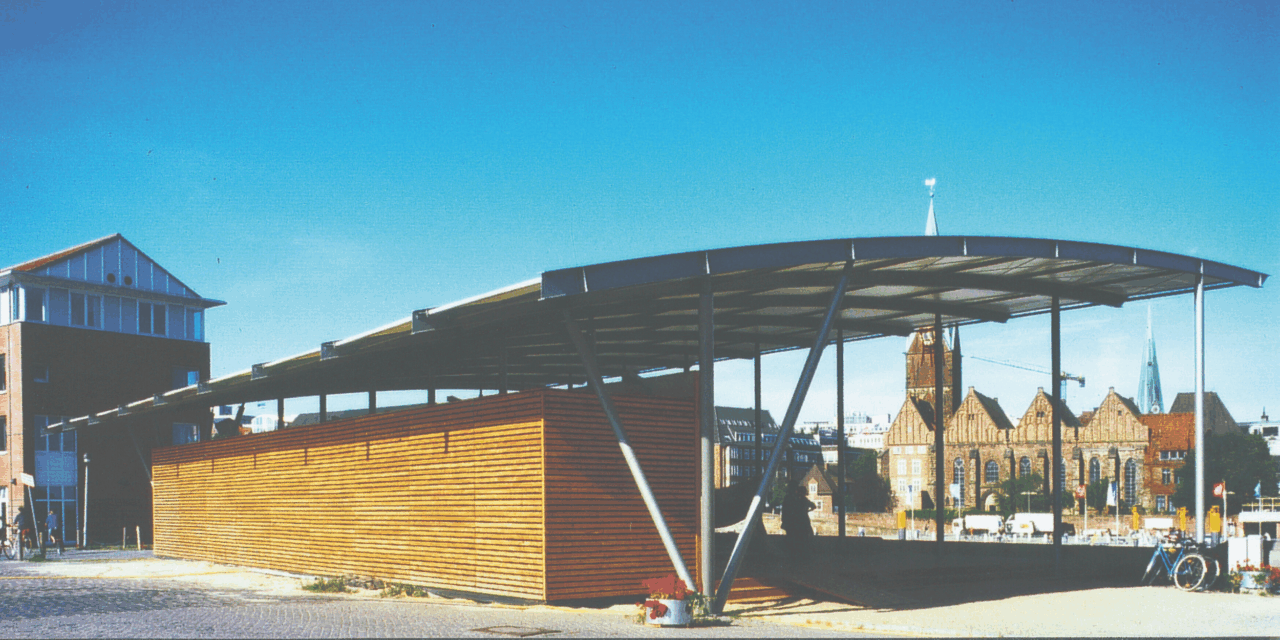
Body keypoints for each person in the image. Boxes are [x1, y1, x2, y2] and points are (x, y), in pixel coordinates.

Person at [781, 482, 816, 562]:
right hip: (800, 522)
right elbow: (812, 506)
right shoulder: (800, 499)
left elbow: (785, 511)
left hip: (793, 522)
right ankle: (802, 557)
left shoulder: (789, 498)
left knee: (793, 540)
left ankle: (794, 557)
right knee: (802, 539)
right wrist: (807, 511)